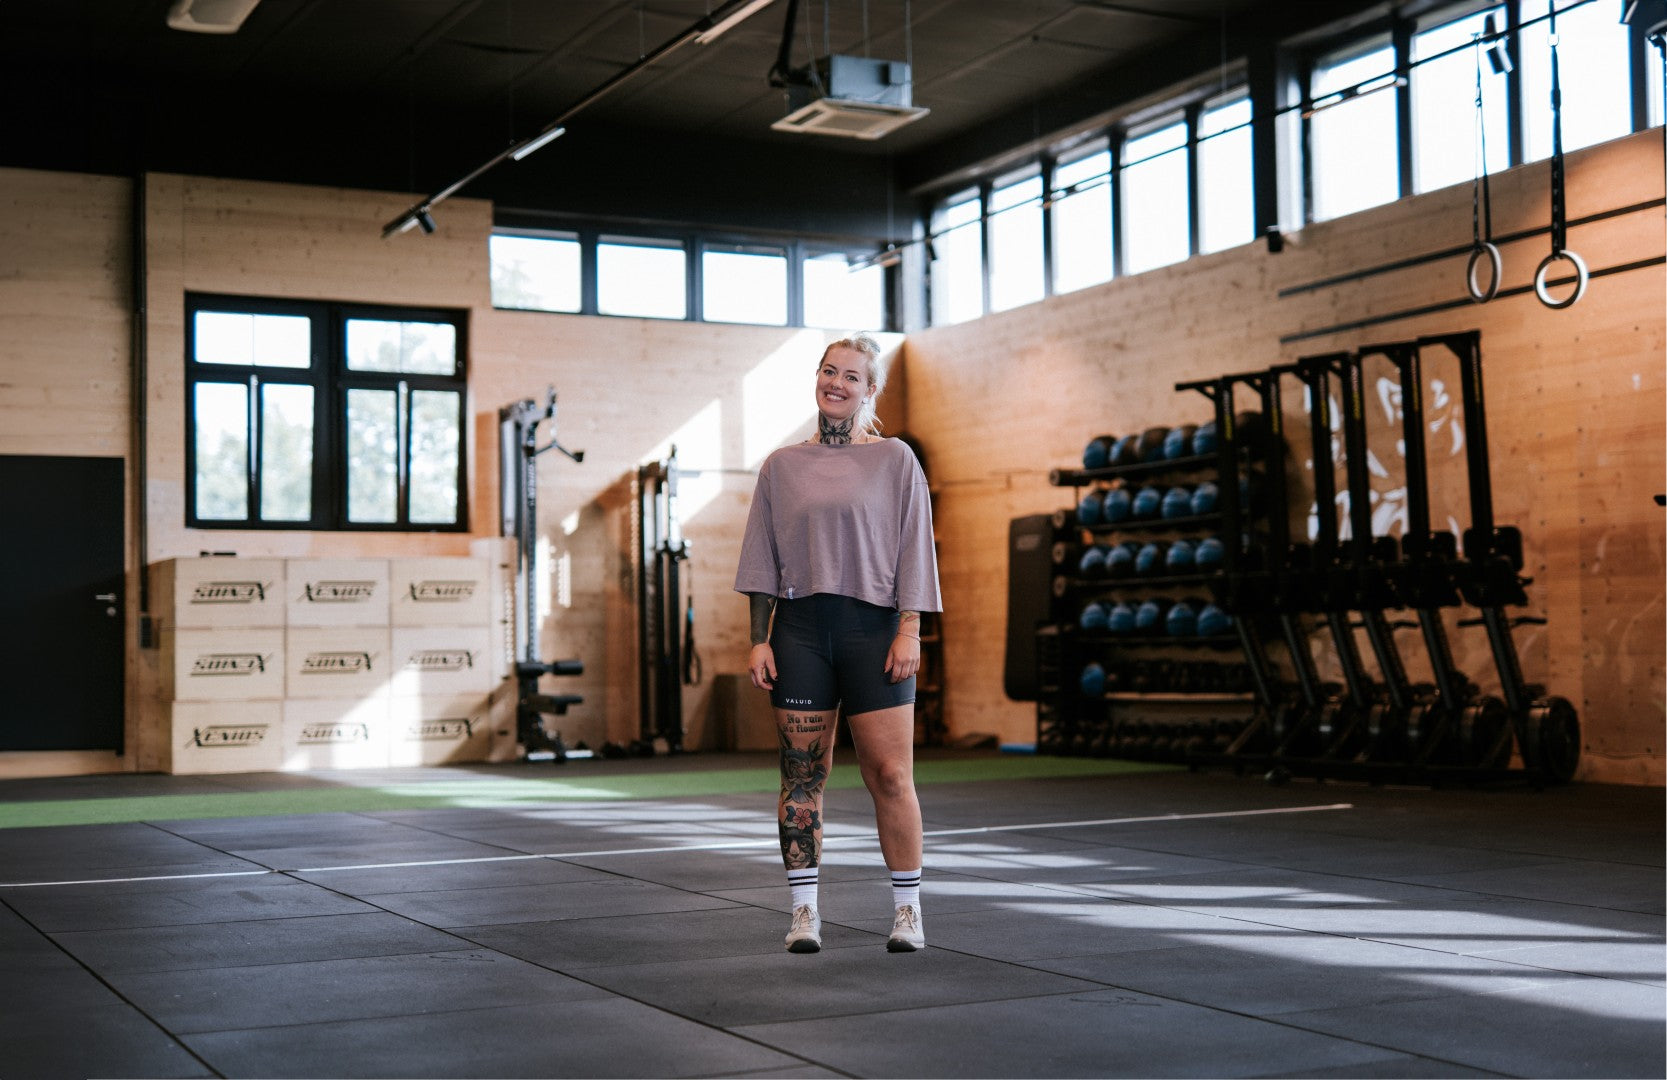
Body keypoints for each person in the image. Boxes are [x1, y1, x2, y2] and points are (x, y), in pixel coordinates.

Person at [733, 333, 941, 954]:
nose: (837, 383)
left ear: (870, 390)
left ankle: (907, 912)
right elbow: (760, 559)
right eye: (829, 371)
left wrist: (911, 627)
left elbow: (915, 547)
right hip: (798, 633)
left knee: (891, 774)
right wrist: (758, 639)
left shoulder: (896, 459)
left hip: (873, 631)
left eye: (852, 376)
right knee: (802, 777)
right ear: (817, 378)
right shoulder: (781, 466)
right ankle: (804, 913)